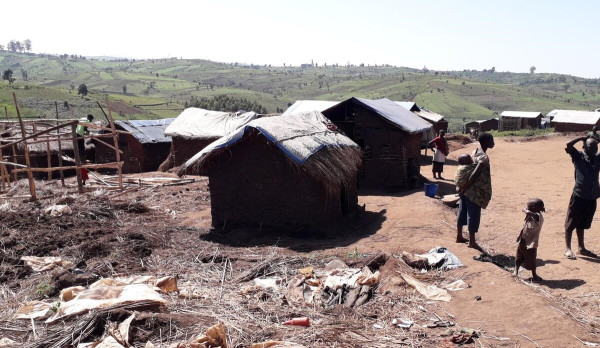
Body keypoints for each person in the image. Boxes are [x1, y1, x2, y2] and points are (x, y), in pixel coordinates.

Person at [456, 132, 495, 250]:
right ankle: (472, 241)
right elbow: (474, 174)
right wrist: (466, 187)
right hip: (473, 190)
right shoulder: (483, 158)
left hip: (466, 189)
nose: (493, 142)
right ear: (486, 142)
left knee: (462, 211)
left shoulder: (475, 152)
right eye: (491, 140)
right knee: (473, 215)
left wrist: (462, 188)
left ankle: (459, 236)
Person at [564, 135, 600, 259]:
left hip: (592, 197)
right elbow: (569, 145)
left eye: (596, 148)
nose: (595, 150)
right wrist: (582, 137)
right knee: (571, 223)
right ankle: (568, 248)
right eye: (592, 147)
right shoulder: (578, 157)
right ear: (585, 148)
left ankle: (581, 248)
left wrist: (595, 141)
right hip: (579, 195)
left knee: (583, 223)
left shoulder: (597, 159)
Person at [514, 198, 545, 281]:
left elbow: (527, 211)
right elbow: (526, 210)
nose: (527, 208)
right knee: (519, 256)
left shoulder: (538, 216)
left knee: (531, 259)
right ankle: (516, 270)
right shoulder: (532, 213)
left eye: (529, 206)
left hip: (531, 242)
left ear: (534, 208)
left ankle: (534, 274)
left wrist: (526, 210)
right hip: (523, 239)